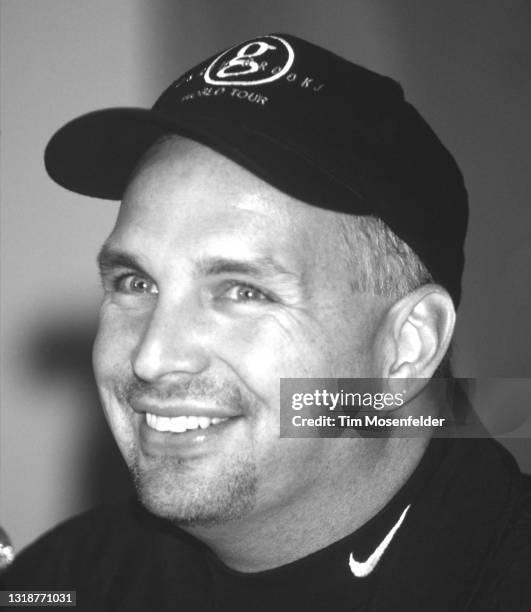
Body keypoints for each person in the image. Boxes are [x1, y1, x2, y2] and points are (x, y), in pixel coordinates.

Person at [2, 33, 530, 611]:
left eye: (242, 291)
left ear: (408, 345)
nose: (151, 356)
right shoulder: (66, 581)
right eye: (136, 284)